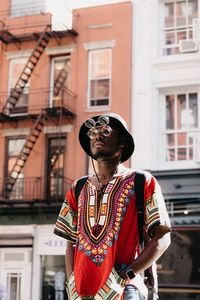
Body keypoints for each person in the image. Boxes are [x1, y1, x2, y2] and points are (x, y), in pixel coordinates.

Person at [54, 113, 171, 300]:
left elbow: (163, 239)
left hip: (124, 291)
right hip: (82, 292)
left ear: (123, 141)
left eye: (106, 131)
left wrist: (127, 275)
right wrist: (72, 284)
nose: (98, 136)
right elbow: (70, 244)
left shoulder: (142, 182)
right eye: (92, 132)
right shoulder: (77, 188)